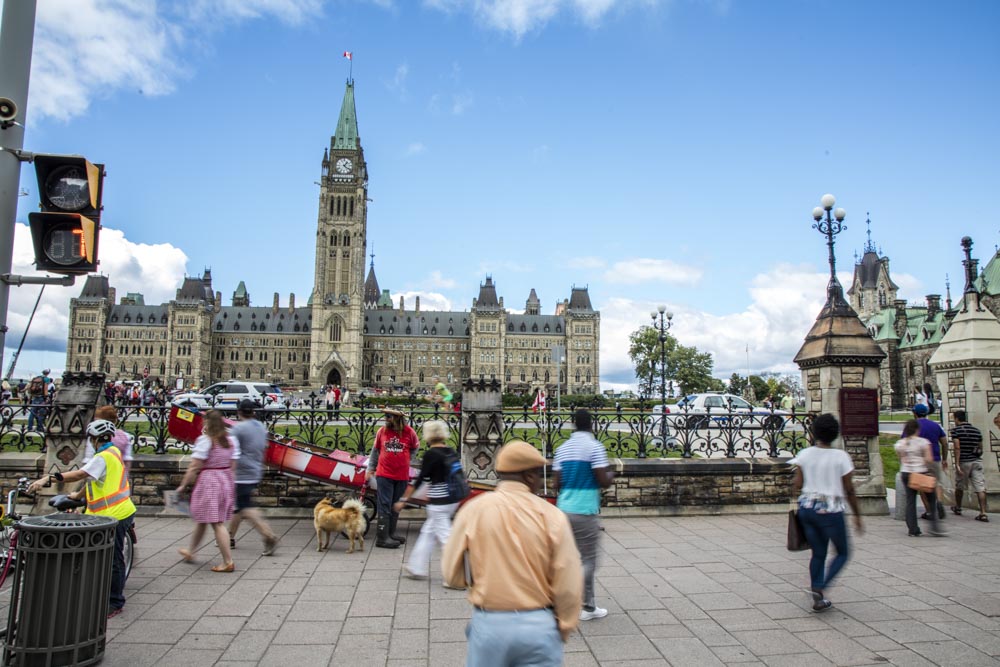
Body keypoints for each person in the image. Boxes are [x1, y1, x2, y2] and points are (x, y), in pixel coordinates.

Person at [442, 440, 583, 666]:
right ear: (529, 476)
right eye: (538, 475)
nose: (540, 481)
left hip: (489, 625)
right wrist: (565, 624)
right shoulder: (551, 515)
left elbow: (451, 572)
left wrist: (475, 581)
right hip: (539, 625)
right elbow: (568, 579)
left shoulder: (473, 510)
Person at [28, 419, 136, 618]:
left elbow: (80, 474)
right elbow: (96, 480)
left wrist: (48, 479)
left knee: (114, 560)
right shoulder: (113, 452)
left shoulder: (103, 457)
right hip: (115, 512)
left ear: (93, 439)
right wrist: (77, 497)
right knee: (103, 556)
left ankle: (115, 601)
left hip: (115, 514)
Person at [790, 414, 863, 613]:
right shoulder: (841, 457)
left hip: (808, 508)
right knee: (843, 552)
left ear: (815, 433)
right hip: (831, 510)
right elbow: (848, 489)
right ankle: (821, 587)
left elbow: (797, 484)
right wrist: (857, 515)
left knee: (818, 553)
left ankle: (817, 595)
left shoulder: (805, 454)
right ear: (835, 434)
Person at [553, 409, 613, 621]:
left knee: (571, 558)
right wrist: (611, 473)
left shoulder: (562, 449)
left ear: (573, 424)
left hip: (563, 509)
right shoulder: (594, 447)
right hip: (584, 511)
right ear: (591, 425)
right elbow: (602, 479)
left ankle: (588, 607)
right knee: (589, 561)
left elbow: (556, 483)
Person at [394, 420, 459, 579]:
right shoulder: (450, 451)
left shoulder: (431, 454)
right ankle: (416, 567)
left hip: (439, 501)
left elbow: (420, 479)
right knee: (428, 533)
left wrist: (403, 499)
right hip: (452, 498)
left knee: (446, 538)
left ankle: (460, 573)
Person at [176, 410, 240, 572]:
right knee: (203, 519)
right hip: (225, 479)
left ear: (207, 423)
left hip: (210, 481)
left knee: (217, 522)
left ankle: (227, 561)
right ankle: (191, 551)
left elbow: (194, 467)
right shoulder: (231, 441)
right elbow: (233, 466)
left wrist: (183, 485)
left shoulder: (205, 441)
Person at [228, 400, 280, 555]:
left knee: (245, 507)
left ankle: (268, 535)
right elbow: (264, 447)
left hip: (241, 474)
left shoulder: (239, 429)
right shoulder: (260, 427)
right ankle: (229, 538)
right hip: (256, 470)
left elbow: (228, 450)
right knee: (239, 506)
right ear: (253, 412)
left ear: (239, 412)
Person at [366, 408, 419, 548]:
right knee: (384, 504)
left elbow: (415, 447)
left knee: (395, 504)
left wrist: (407, 459)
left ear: (397, 418)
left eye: (389, 416)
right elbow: (375, 451)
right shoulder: (382, 432)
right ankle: (382, 538)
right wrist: (370, 468)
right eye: (386, 416)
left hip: (401, 475)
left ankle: (391, 533)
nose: (386, 418)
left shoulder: (409, 432)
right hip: (384, 474)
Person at [895, 419, 944, 537]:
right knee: (931, 499)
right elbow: (929, 459)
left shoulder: (900, 443)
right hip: (921, 472)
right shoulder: (923, 442)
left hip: (906, 472)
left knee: (910, 501)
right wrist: (930, 471)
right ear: (917, 429)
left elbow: (901, 458)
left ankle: (913, 529)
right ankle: (934, 527)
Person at [951, 410, 988, 522]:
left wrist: (957, 463)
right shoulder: (976, 431)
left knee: (960, 486)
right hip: (976, 461)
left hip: (964, 462)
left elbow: (957, 447)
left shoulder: (956, 431)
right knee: (980, 487)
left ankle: (958, 507)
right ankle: (983, 512)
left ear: (957, 419)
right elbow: (980, 448)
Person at [912, 403, 948, 520]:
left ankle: (929, 511)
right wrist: (945, 458)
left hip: (919, 461)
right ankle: (940, 502)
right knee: (937, 483)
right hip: (935, 459)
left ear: (915, 413)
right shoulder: (935, 425)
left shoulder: (913, 426)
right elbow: (944, 442)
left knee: (923, 486)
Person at [83, 405, 135, 476]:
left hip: (99, 477)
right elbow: (127, 460)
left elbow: (88, 459)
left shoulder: (94, 437)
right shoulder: (125, 436)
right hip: (119, 478)